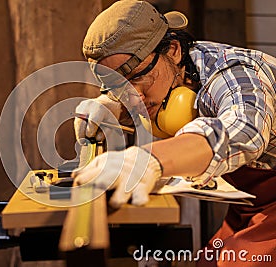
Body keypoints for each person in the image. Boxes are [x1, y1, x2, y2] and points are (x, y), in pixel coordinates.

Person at [71, 0, 276, 266]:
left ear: (174, 50)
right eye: (117, 84)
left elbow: (246, 131)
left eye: (137, 78)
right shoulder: (164, 70)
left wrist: (151, 159)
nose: (135, 97)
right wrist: (111, 104)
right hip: (253, 202)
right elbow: (129, 84)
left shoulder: (232, 74)